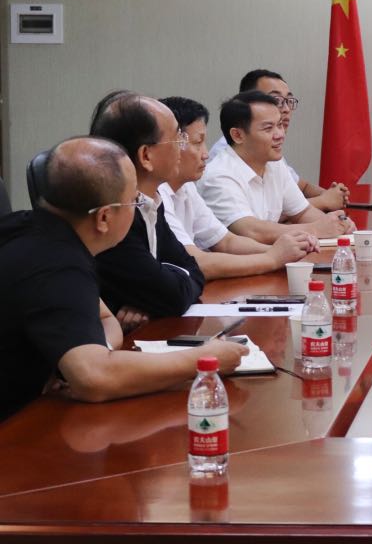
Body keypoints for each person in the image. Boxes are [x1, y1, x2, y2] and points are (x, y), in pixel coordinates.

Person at [0, 137, 247, 422]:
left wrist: (78, 359)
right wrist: (204, 360)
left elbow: (107, 321)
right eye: (134, 200)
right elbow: (94, 378)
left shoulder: (31, 230)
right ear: (104, 218)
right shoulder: (57, 265)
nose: (139, 206)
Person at [159, 96, 317, 279]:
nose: (205, 154)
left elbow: (226, 241)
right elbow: (196, 262)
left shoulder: (186, 187)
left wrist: (286, 250)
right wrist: (272, 258)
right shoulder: (159, 193)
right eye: (197, 143)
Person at [90, 92, 206, 327]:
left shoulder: (150, 202)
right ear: (146, 156)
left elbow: (193, 270)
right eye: (177, 139)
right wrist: (157, 292)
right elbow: (173, 297)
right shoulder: (114, 215)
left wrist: (152, 295)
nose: (182, 148)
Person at [198, 91, 355, 244]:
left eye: (279, 125)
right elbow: (250, 231)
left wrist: (338, 226)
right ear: (238, 135)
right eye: (268, 128)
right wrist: (315, 229)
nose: (280, 134)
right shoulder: (218, 176)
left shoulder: (274, 164)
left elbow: (303, 212)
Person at [208, 69, 349, 211]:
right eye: (276, 100)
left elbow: (301, 188)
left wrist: (332, 195)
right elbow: (264, 217)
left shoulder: (270, 152)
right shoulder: (227, 156)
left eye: (289, 101)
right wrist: (323, 201)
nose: (286, 109)